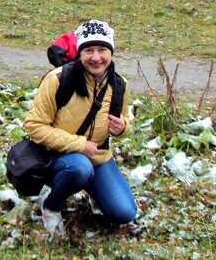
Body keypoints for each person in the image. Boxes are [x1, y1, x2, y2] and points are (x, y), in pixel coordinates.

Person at [24, 19, 137, 235]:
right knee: (79, 168)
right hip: (58, 157)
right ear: (80, 53)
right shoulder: (58, 79)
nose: (96, 57)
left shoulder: (120, 85)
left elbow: (123, 120)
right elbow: (34, 125)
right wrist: (79, 145)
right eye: (89, 50)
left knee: (124, 213)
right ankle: (51, 204)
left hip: (99, 157)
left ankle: (92, 188)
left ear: (111, 52)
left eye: (102, 49)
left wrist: (123, 128)